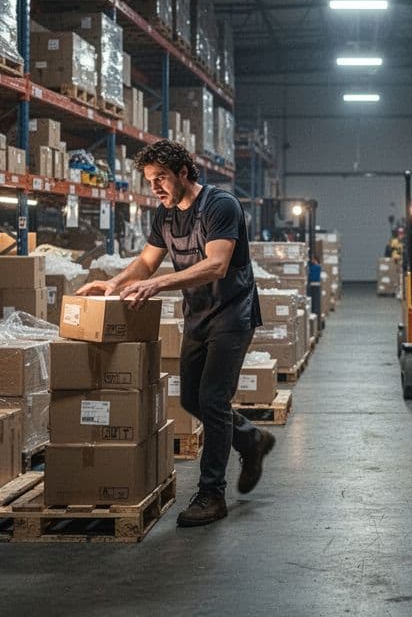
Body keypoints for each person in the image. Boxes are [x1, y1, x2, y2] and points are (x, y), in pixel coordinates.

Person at [76, 139, 275, 528]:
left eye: (161, 178)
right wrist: (112, 283)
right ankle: (250, 439)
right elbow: (147, 262)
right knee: (191, 399)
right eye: (150, 180)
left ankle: (211, 494)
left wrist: (159, 286)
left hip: (233, 314)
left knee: (213, 399)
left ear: (184, 172)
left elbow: (216, 265)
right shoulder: (165, 217)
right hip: (198, 316)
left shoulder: (220, 206)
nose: (156, 187)